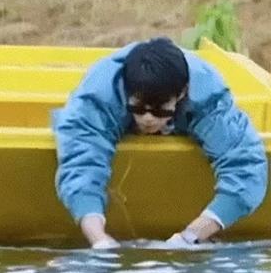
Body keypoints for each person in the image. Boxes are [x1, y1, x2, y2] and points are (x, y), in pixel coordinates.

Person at [52, 37, 268, 249]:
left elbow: (245, 168)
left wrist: (190, 236)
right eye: (138, 108)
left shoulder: (208, 100)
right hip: (105, 108)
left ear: (182, 94)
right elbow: (81, 166)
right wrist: (99, 239)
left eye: (158, 109)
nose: (147, 119)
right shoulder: (98, 98)